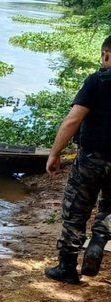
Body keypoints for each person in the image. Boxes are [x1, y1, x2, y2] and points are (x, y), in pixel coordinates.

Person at [44, 35, 111, 284]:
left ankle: (67, 267)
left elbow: (74, 119)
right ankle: (100, 240)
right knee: (109, 208)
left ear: (106, 54)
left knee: (76, 210)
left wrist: (55, 152)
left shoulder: (97, 81)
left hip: (91, 159)